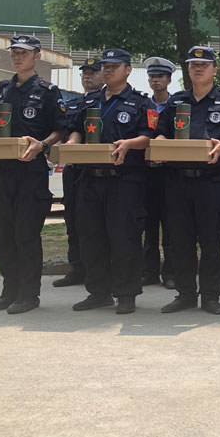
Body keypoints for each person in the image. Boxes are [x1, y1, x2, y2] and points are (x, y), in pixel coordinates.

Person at [154, 46, 220, 315]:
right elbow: (161, 132)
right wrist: (161, 145)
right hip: (177, 180)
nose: (198, 69)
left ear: (214, 70)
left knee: (211, 241)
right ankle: (185, 294)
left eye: (204, 65)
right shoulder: (176, 101)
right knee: (180, 241)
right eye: (193, 65)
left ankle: (210, 296)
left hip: (210, 181)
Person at [0, 35, 67, 314]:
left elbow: (60, 128)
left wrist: (43, 145)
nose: (17, 57)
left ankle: (29, 295)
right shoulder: (2, 90)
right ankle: (9, 292)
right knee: (1, 236)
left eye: (23, 53)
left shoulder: (47, 91)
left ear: (37, 56)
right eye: (14, 52)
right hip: (2, 172)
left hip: (30, 173)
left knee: (26, 235)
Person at [64, 49, 154, 314]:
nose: (108, 70)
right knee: (91, 237)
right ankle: (98, 292)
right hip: (90, 179)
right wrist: (73, 143)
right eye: (105, 66)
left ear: (128, 70)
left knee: (124, 238)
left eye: (114, 66)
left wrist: (129, 143)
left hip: (124, 180)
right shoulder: (90, 100)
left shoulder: (140, 102)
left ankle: (126, 293)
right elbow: (76, 128)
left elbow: (150, 135)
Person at [53, 57, 104, 288]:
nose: (87, 76)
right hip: (72, 169)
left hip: (94, 170)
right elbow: (64, 131)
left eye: (93, 72)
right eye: (84, 72)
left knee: (94, 223)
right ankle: (77, 267)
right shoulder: (73, 103)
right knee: (72, 219)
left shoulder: (105, 101)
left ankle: (98, 271)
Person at [141, 56, 176, 289]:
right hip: (145, 172)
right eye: (152, 76)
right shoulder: (142, 105)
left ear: (169, 80)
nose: (156, 80)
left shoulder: (177, 106)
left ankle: (170, 272)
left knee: (171, 224)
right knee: (148, 224)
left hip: (169, 172)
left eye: (160, 76)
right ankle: (149, 271)